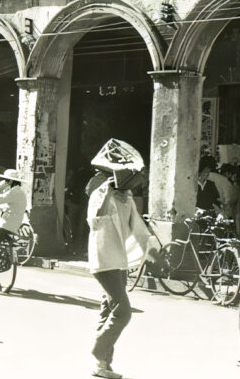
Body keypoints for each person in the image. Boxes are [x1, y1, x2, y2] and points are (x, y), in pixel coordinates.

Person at [86, 139, 155, 379]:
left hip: (119, 260)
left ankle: (102, 366)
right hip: (105, 260)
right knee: (123, 311)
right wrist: (106, 190)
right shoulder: (101, 195)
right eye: (134, 175)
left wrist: (153, 249)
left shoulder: (126, 198)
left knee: (108, 309)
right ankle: (98, 350)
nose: (139, 180)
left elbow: (138, 228)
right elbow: (96, 219)